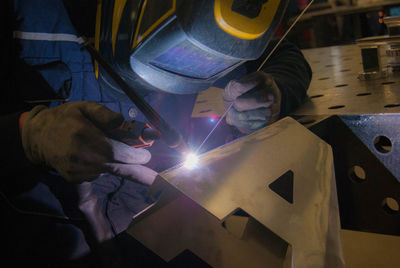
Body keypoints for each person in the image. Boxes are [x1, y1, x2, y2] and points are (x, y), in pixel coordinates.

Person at [1, 0, 311, 266]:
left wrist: (272, 91)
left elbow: (286, 57)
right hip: (43, 247)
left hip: (151, 239)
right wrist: (27, 133)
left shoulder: (208, 16)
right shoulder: (26, 11)